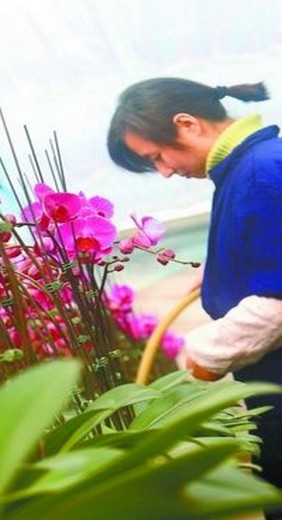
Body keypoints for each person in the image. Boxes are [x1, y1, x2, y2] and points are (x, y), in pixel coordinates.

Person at [107, 78, 282, 519]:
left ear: (186, 124)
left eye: (157, 157)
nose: (164, 171)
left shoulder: (261, 172)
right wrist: (223, 267)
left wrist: (205, 353)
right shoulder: (249, 167)